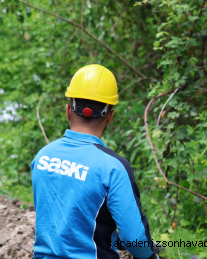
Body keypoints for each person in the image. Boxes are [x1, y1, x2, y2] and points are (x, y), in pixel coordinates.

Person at [31, 64, 160, 259]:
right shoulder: (112, 168)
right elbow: (137, 243)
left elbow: (67, 222)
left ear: (68, 111)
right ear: (110, 117)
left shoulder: (42, 157)